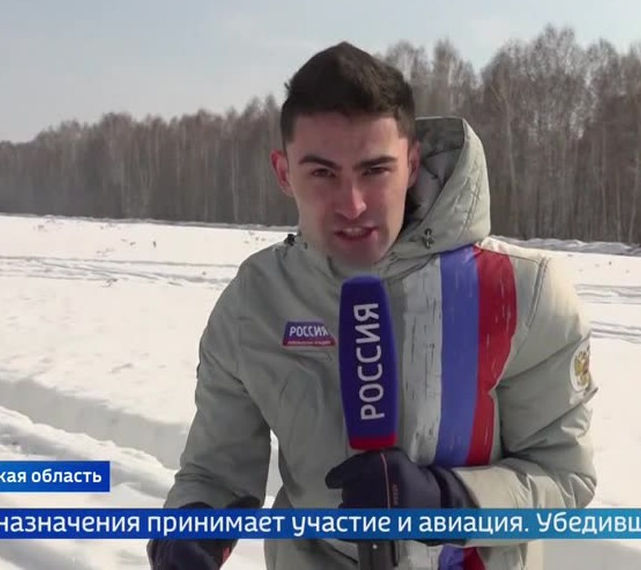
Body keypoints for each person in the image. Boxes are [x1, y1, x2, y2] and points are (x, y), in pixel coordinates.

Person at [147, 42, 598, 570]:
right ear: (284, 172)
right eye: (322, 173)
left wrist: (446, 500)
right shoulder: (256, 301)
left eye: (375, 170)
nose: (353, 204)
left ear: (412, 163)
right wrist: (190, 532)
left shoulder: (521, 291)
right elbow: (216, 471)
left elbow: (565, 476)